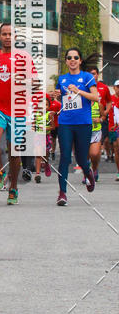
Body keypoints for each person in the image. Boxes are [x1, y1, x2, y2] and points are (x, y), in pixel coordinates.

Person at [0, 22, 36, 206]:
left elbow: (34, 83)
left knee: (15, 152)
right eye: (4, 34)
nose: (7, 37)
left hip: (18, 110)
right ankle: (0, 170)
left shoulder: (24, 57)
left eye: (10, 34)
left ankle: (13, 187)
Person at [52, 47, 98, 205]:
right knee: (64, 157)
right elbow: (65, 100)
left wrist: (79, 91)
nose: (72, 60)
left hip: (83, 123)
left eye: (75, 57)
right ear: (66, 61)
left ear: (80, 61)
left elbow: (95, 97)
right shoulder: (62, 79)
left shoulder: (87, 77)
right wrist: (56, 96)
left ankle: (88, 171)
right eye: (69, 57)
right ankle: (62, 193)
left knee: (81, 158)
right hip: (65, 122)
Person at [87, 66, 111, 183]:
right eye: (90, 74)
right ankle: (87, 173)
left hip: (97, 129)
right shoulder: (83, 89)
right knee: (85, 154)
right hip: (84, 129)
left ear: (97, 75)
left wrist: (103, 115)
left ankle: (94, 169)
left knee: (95, 153)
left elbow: (108, 103)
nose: (92, 76)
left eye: (94, 74)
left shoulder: (104, 88)